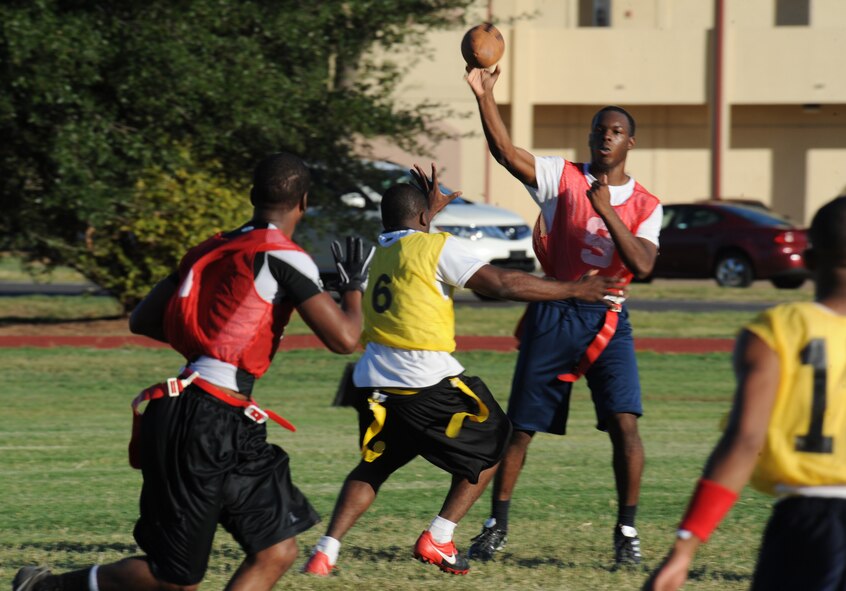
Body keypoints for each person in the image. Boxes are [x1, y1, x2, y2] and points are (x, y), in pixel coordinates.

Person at [13, 152, 373, 591]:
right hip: (203, 421)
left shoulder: (211, 246)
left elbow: (143, 319)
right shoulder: (284, 255)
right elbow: (345, 340)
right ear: (303, 201)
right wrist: (353, 288)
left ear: (251, 196)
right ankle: (46, 588)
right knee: (174, 578)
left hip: (221, 415)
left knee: (276, 550)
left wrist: (210, 342)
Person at [301, 164, 626, 577]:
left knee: (376, 465)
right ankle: (439, 536)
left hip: (373, 382)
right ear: (424, 219)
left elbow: (408, 232)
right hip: (423, 378)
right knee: (499, 440)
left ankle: (325, 552)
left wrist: (424, 213)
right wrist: (575, 288)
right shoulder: (437, 247)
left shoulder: (380, 250)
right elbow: (503, 284)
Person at [464, 65, 663, 566]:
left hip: (610, 321)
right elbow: (506, 153)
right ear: (590, 136)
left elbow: (641, 264)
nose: (606, 138)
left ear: (630, 143)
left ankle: (626, 531)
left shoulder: (646, 204)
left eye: (616, 132)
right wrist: (486, 96)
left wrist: (608, 210)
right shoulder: (561, 177)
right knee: (521, 428)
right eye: (599, 129)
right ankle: (496, 525)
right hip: (555, 311)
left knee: (625, 424)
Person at [644, 195, 846, 590]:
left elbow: (745, 440)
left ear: (807, 259)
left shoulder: (779, 330)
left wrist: (684, 548)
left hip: (808, 525)